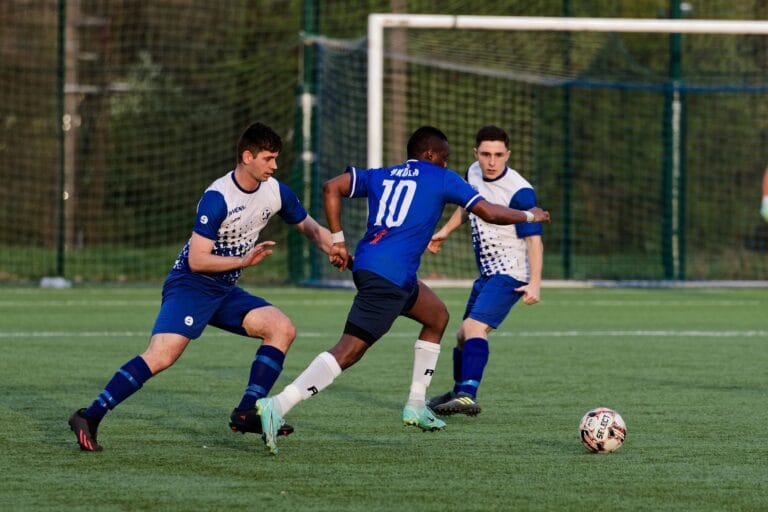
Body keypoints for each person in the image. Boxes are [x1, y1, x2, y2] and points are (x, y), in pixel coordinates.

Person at [254, 126, 550, 454]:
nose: (446, 162)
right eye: (445, 157)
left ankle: (416, 405)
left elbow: (330, 187)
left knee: (437, 316)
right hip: (388, 277)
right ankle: (277, 406)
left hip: (376, 267)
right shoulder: (442, 177)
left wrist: (337, 239)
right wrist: (529, 214)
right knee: (349, 350)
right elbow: (490, 212)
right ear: (430, 154)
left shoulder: (383, 173)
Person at [68, 122, 341, 451]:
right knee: (162, 356)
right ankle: (90, 416)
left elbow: (312, 229)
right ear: (247, 157)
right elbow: (197, 260)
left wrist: (340, 250)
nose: (275, 166)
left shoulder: (276, 192)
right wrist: (243, 262)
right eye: (268, 159)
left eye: (276, 159)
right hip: (191, 285)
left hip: (224, 289)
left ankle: (246, 412)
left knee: (281, 329)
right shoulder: (218, 197)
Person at [425, 125, 544, 417]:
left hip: (512, 273)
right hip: (488, 273)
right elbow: (468, 208)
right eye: (486, 154)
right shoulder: (473, 172)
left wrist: (535, 284)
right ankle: (457, 391)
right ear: (475, 153)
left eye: (498, 155)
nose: (492, 161)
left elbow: (534, 241)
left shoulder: (520, 191)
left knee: (473, 328)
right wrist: (444, 232)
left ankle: (468, 394)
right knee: (462, 335)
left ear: (508, 155)